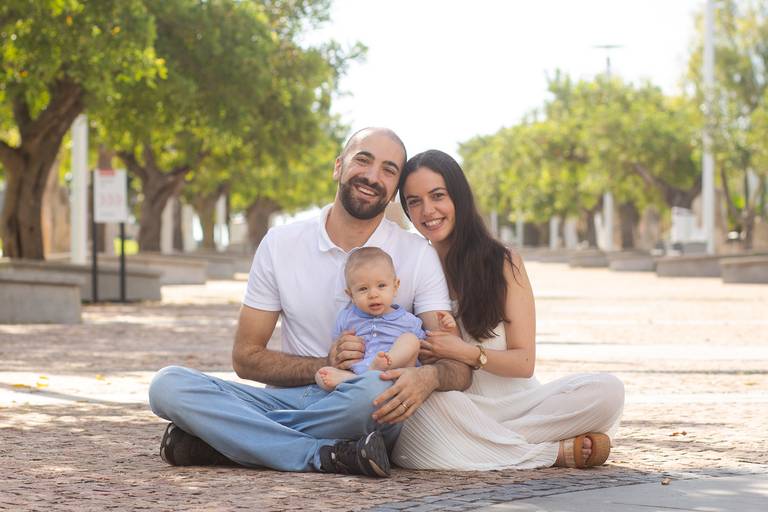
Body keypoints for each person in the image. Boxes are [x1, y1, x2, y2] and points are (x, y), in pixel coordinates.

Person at [148, 129, 472, 478]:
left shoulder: (417, 255)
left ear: (394, 190)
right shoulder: (280, 244)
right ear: (338, 167)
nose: (373, 176)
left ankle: (226, 439)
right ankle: (323, 452)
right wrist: (324, 363)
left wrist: (430, 377)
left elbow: (459, 367)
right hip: (289, 398)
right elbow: (246, 358)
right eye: (363, 160)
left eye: (389, 170)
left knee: (379, 388)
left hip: (361, 403)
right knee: (167, 386)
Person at [391, 149, 625, 470]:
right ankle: (553, 452)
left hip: (522, 406)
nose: (427, 210)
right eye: (414, 201)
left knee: (608, 391)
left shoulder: (502, 262)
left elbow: (524, 362)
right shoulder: (412, 268)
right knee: (418, 419)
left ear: (458, 196)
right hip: (457, 406)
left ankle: (485, 444)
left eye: (438, 196)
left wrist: (467, 352)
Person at [315, 247, 459, 391]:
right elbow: (336, 348)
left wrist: (446, 329)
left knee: (411, 340)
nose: (373, 294)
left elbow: (428, 348)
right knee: (321, 375)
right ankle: (356, 379)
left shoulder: (408, 320)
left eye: (381, 286)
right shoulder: (347, 317)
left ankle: (369, 376)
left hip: (396, 373)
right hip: (356, 371)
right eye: (363, 289)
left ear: (395, 287)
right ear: (351, 295)